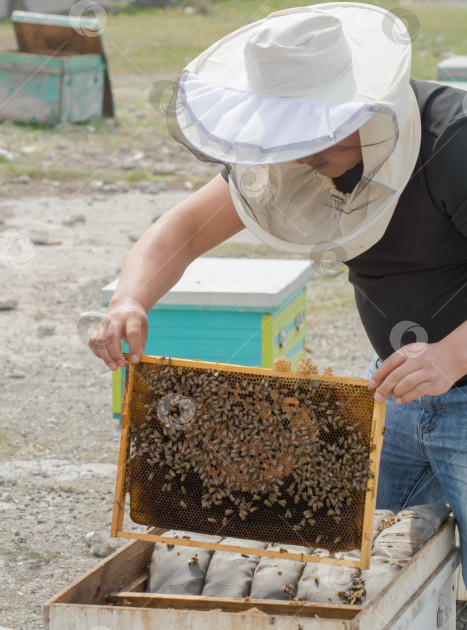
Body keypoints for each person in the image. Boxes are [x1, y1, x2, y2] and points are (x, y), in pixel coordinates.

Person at [89, 4, 467, 579]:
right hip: (399, 384)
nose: (303, 160)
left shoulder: (453, 140)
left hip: (452, 374)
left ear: (368, 108)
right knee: (355, 566)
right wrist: (130, 300)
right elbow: (184, 229)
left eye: (318, 142)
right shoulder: (297, 156)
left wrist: (450, 355)